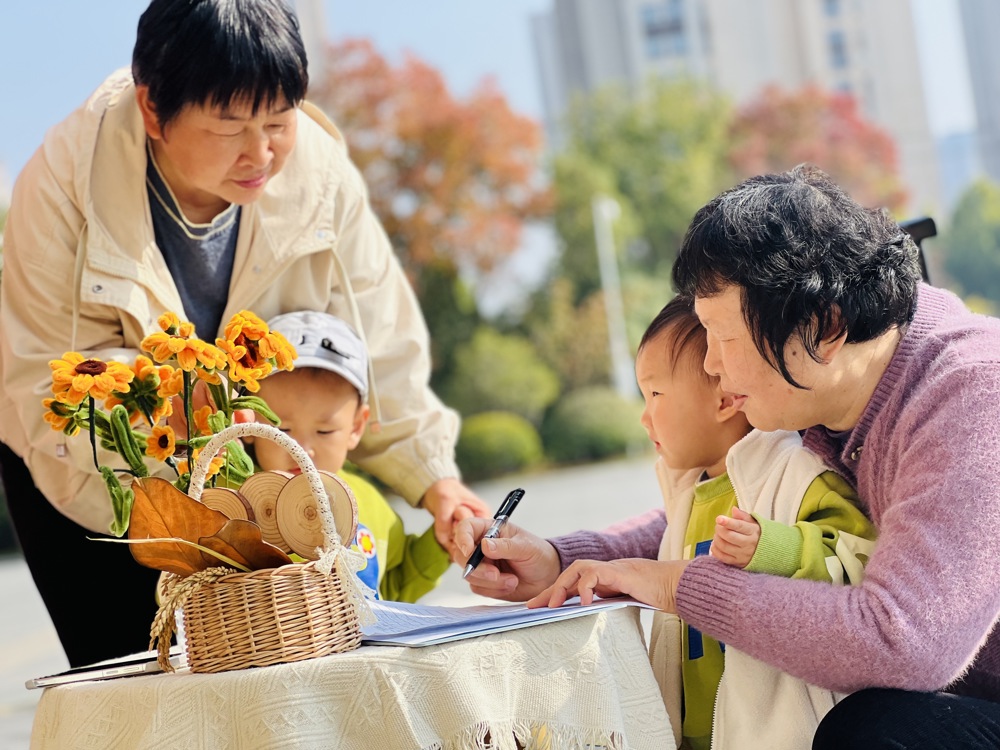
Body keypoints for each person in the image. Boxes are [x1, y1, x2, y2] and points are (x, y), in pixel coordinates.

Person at [0, 0, 488, 668]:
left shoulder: (321, 175)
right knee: (138, 699)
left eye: (278, 120)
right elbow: (41, 394)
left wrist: (437, 482)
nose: (261, 152)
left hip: (271, 483)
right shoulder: (61, 186)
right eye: (230, 124)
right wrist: (206, 478)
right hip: (97, 491)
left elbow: (382, 343)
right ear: (152, 110)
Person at [458, 164, 1000, 748]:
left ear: (824, 325)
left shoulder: (971, 396)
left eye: (724, 336)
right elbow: (723, 514)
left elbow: (903, 643)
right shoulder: (823, 392)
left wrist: (676, 586)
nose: (711, 366)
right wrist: (563, 559)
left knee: (873, 732)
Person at [636, 295, 876, 750]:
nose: (644, 415)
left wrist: (777, 547)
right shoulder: (685, 495)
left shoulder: (797, 474)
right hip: (702, 731)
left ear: (725, 398)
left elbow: (861, 561)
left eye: (656, 393)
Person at [247, 311, 451, 603]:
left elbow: (392, 587)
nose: (303, 448)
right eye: (284, 429)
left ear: (356, 427)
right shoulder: (236, 507)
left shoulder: (371, 503)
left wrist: (442, 542)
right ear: (249, 419)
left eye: (325, 431)